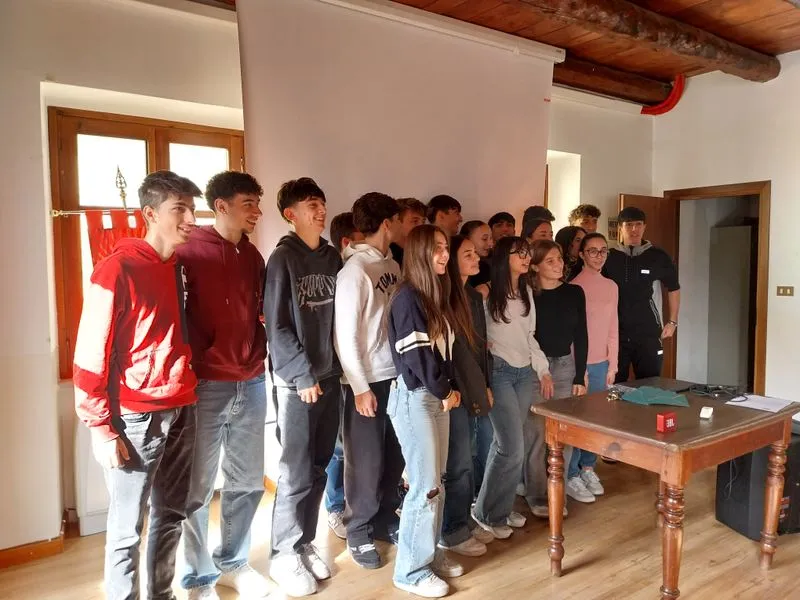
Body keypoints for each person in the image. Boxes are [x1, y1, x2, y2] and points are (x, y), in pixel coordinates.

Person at [73, 170, 200, 600]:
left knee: (172, 514)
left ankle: (161, 595)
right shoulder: (116, 269)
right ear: (149, 213)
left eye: (191, 209)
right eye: (179, 209)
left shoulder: (177, 267)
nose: (190, 219)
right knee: (127, 527)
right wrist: (100, 427)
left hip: (183, 406)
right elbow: (90, 353)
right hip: (136, 417)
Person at [177, 171, 269, 600]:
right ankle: (197, 576)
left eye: (257, 203)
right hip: (206, 384)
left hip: (252, 380)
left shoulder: (252, 256)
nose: (257, 212)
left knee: (247, 481)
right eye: (249, 203)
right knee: (197, 487)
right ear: (221, 206)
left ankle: (233, 561)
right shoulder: (188, 252)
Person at [264, 177, 343, 597]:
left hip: (330, 377)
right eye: (311, 204)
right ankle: (282, 554)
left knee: (318, 466)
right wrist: (302, 374)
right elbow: (276, 326)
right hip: (297, 382)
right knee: (294, 470)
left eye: (322, 203)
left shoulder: (332, 257)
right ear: (290, 214)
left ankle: (304, 541)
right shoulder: (283, 259)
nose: (320, 210)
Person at [387, 224, 471, 597]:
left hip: (434, 398)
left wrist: (447, 391)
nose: (444, 255)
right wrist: (445, 390)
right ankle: (410, 571)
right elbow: (417, 357)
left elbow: (442, 353)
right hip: (415, 398)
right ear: (419, 252)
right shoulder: (408, 297)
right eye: (437, 248)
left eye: (445, 247)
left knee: (435, 483)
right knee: (425, 486)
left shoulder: (432, 295)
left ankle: (427, 555)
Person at [334, 192, 405, 569]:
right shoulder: (354, 272)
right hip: (366, 381)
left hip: (395, 375)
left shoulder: (391, 263)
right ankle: (358, 529)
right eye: (399, 220)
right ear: (387, 223)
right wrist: (360, 386)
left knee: (394, 454)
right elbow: (344, 336)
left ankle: (384, 518)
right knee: (365, 460)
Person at [472, 237, 551, 539]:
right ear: (505, 257)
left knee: (506, 446)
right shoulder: (484, 292)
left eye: (528, 253)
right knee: (511, 447)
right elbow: (470, 334)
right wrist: (483, 346)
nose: (526, 257)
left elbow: (530, 336)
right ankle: (489, 513)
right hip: (499, 372)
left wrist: (542, 369)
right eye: (520, 253)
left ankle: (494, 508)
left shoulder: (527, 292)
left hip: (523, 372)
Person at [439, 234, 495, 558]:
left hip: (473, 384)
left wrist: (484, 383)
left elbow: (480, 345)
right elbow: (450, 352)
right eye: (468, 254)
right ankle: (451, 531)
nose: (476, 259)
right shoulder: (441, 295)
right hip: (452, 388)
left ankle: (463, 520)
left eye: (476, 254)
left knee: (468, 457)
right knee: (457, 462)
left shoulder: (472, 295)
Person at [523, 240, 588, 513]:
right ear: (535, 266)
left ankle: (556, 493)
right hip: (534, 369)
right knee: (537, 435)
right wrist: (541, 370)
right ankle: (537, 495)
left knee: (563, 434)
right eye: (550, 260)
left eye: (559, 258)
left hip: (565, 367)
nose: (558, 264)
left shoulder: (574, 292)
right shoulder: (527, 295)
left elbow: (581, 335)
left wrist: (579, 375)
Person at [603, 206, 680, 382]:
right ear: (620, 228)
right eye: (629, 225)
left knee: (650, 383)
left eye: (638, 224)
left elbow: (674, 287)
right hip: (616, 333)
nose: (634, 229)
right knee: (614, 385)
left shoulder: (658, 256)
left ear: (644, 227)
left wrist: (672, 322)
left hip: (648, 332)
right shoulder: (609, 257)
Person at [568, 233, 619, 500]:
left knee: (598, 419)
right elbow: (573, 334)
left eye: (603, 251)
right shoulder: (574, 286)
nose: (598, 256)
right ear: (582, 254)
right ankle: (572, 474)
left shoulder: (611, 286)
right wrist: (580, 369)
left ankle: (588, 467)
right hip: (581, 365)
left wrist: (613, 363)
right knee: (579, 419)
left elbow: (613, 327)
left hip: (603, 362)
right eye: (592, 251)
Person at [325, 212, 365, 539]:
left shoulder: (367, 271)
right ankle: (335, 506)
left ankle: (360, 504)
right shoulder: (336, 274)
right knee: (339, 446)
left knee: (360, 446)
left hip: (363, 372)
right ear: (347, 242)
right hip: (337, 373)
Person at [390, 197, 427, 267]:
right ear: (397, 222)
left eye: (423, 221)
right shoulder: (388, 254)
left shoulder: (423, 251)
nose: (421, 226)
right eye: (415, 221)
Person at [460, 220, 494, 287]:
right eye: (484, 239)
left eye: (491, 238)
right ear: (467, 239)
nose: (490, 244)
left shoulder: (486, 266)